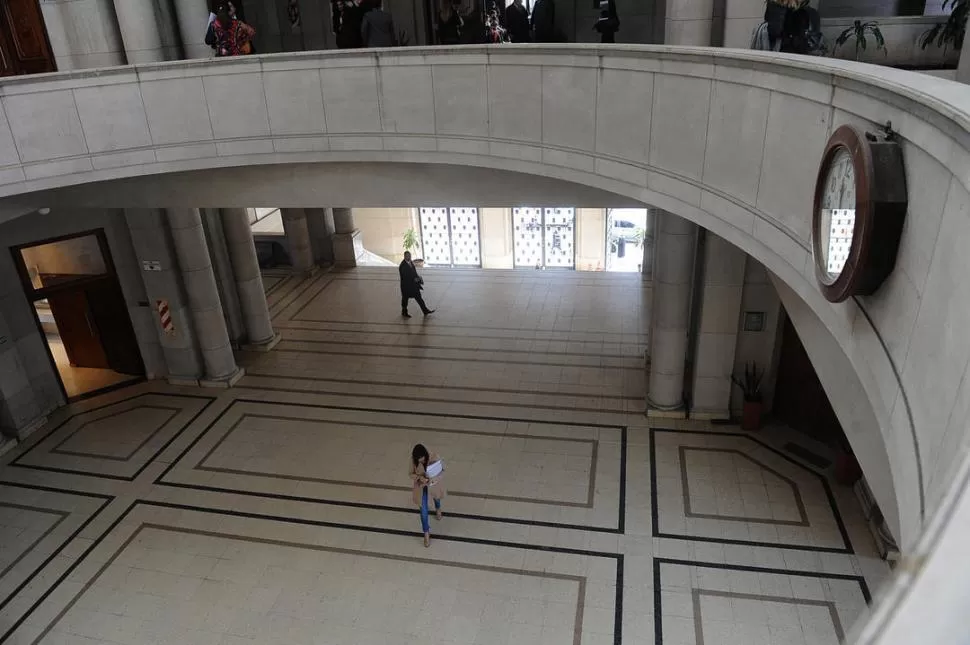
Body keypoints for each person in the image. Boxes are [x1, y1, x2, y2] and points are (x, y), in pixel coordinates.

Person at [410, 443, 445, 547]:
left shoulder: (434, 457)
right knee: (423, 510)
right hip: (421, 487)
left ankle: (438, 508)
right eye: (418, 460)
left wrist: (433, 479)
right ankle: (426, 533)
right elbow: (410, 473)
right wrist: (419, 478)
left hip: (433, 484)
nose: (421, 461)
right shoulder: (413, 460)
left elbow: (442, 471)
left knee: (436, 498)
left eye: (422, 459)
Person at [399, 251, 434, 317]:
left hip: (413, 286)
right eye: (407, 256)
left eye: (410, 256)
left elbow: (414, 272)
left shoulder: (410, 262)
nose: (409, 257)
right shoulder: (403, 266)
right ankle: (404, 312)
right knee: (405, 300)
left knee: (419, 298)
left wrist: (418, 278)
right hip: (406, 287)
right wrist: (414, 279)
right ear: (405, 256)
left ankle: (425, 310)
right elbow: (405, 277)